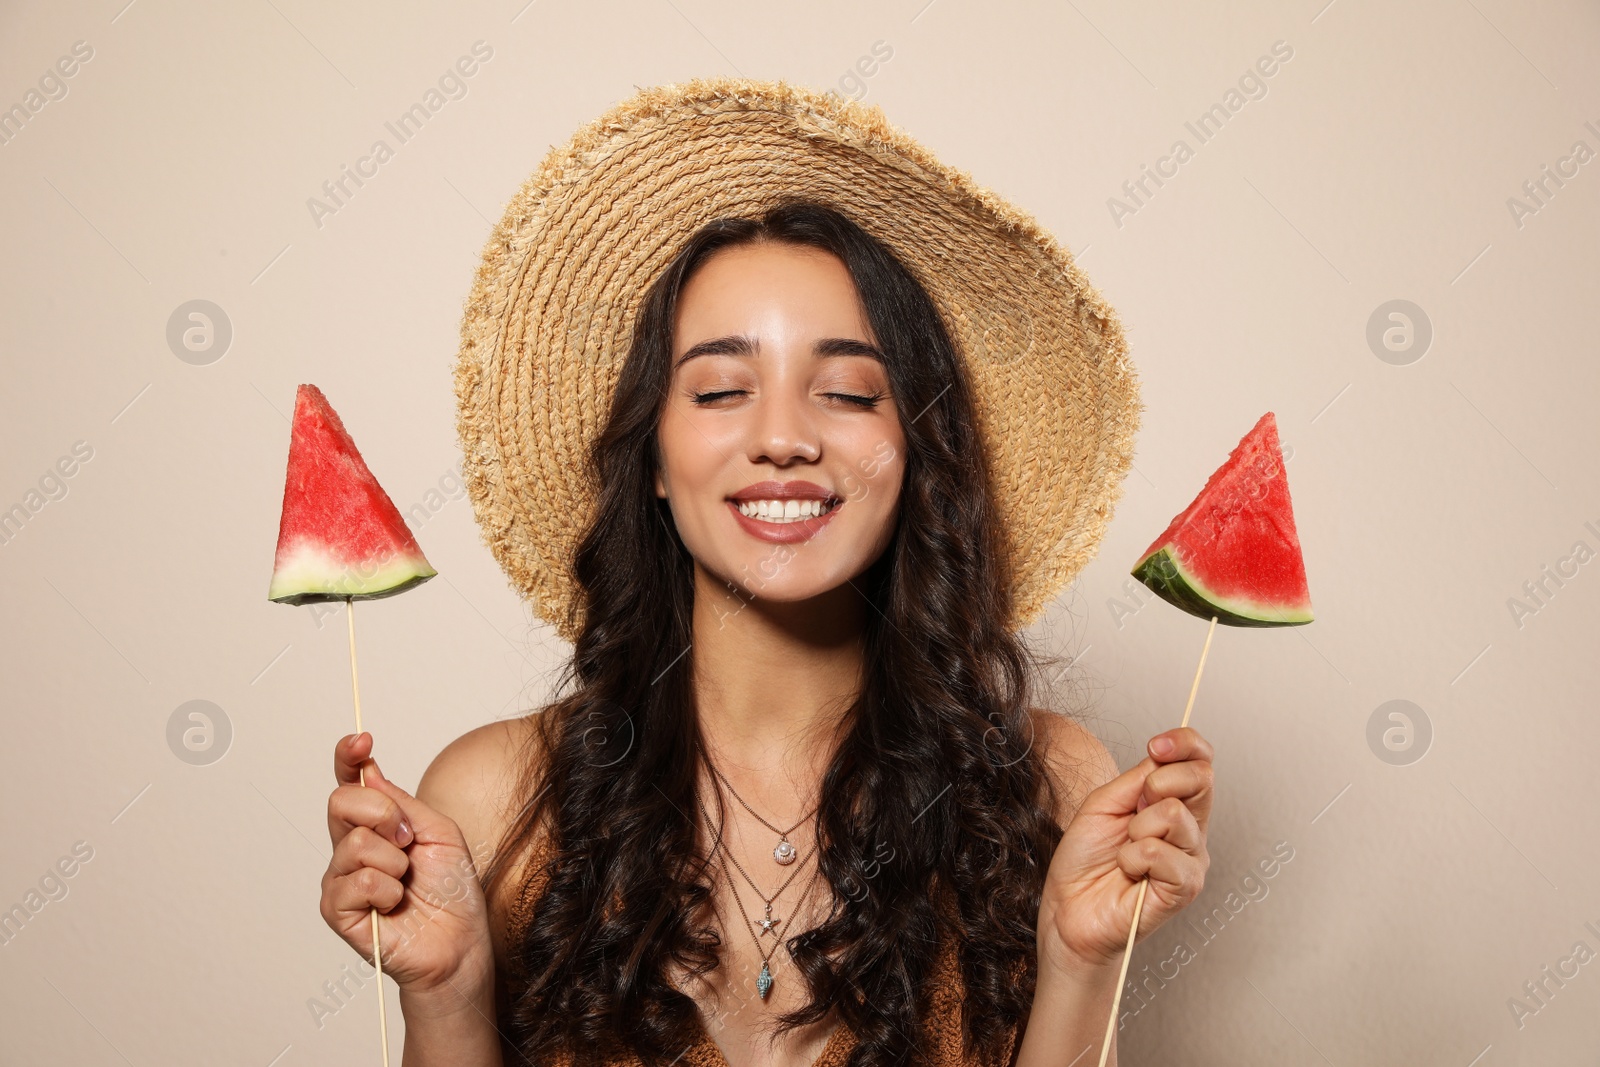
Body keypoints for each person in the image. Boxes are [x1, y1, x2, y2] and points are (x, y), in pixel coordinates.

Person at [319, 81, 1213, 1067]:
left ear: (916, 447)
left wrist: (1081, 963)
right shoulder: (490, 800)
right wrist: (444, 995)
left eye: (842, 390)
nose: (782, 436)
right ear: (653, 458)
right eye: (719, 388)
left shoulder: (1052, 784)